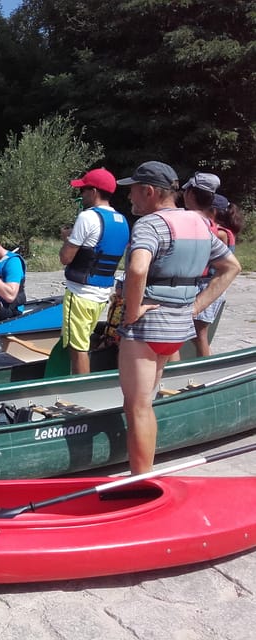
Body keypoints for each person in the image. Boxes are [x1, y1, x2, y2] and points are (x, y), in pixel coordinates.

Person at [115, 161, 240, 474]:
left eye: (132, 191)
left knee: (137, 407)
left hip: (146, 327)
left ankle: (140, 482)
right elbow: (232, 267)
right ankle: (143, 473)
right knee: (146, 402)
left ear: (149, 191)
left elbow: (138, 268)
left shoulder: (149, 224)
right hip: (175, 328)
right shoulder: (199, 223)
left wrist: (132, 312)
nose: (130, 197)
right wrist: (193, 308)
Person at [59, 168, 130, 373]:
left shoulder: (87, 217)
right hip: (101, 295)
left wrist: (67, 239)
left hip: (80, 294)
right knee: (84, 339)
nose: (81, 195)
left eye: (84, 190)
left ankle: (81, 390)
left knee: (77, 347)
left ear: (94, 191)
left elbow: (66, 258)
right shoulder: (122, 220)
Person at [180, 172, 227, 357]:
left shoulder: (197, 224)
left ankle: (204, 371)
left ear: (191, 194)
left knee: (199, 335)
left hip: (203, 284)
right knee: (192, 334)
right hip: (205, 283)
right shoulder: (210, 225)